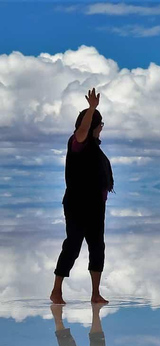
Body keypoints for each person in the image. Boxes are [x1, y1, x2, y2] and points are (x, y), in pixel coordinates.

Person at [51, 88, 114, 305]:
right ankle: (56, 291)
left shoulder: (96, 150)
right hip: (77, 204)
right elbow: (83, 130)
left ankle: (95, 293)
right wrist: (92, 108)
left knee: (97, 247)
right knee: (73, 245)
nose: (101, 129)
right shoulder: (77, 143)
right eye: (100, 125)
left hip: (96, 206)